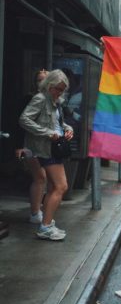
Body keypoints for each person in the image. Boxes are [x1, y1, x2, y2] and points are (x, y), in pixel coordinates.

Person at [19, 69, 73, 241]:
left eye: (61, 89)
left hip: (53, 146)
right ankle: (46, 226)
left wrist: (67, 128)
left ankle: (46, 223)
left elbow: (59, 122)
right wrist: (47, 133)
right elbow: (24, 119)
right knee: (60, 186)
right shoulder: (41, 98)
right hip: (45, 147)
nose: (58, 92)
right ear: (49, 85)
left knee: (54, 186)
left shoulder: (55, 101)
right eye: (56, 88)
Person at [15, 69, 49, 223]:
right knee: (40, 177)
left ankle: (38, 210)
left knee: (44, 178)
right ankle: (35, 213)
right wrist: (19, 145)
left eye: (45, 79)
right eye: (39, 80)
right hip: (30, 144)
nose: (41, 83)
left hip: (45, 145)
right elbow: (20, 123)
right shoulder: (30, 99)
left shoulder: (51, 99)